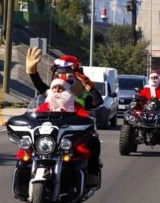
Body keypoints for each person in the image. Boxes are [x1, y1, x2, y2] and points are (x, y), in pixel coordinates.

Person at [25, 48, 102, 187]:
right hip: (51, 134)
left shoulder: (81, 98)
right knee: (27, 147)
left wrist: (88, 84)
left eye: (69, 81)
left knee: (94, 142)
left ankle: (92, 174)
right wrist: (32, 72)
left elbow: (97, 102)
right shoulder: (52, 94)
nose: (61, 87)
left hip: (73, 134)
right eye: (58, 82)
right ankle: (24, 174)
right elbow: (40, 88)